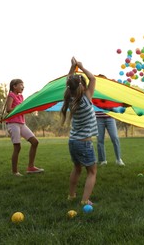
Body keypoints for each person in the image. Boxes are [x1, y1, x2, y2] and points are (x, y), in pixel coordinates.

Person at [61, 57, 98, 205]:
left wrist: (72, 68)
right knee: (92, 172)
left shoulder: (70, 98)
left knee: (77, 169)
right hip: (84, 144)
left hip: (73, 142)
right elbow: (93, 78)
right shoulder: (86, 98)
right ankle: (85, 200)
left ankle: (71, 195)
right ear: (82, 86)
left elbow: (69, 81)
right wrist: (81, 67)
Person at [5, 79, 44, 176]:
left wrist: (28, 110)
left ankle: (31, 167)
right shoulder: (11, 95)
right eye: (21, 85)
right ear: (14, 86)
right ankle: (15, 172)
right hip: (13, 123)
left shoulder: (21, 97)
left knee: (35, 142)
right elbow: (8, 109)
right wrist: (21, 108)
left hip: (22, 123)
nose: (23, 87)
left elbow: (22, 111)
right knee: (17, 147)